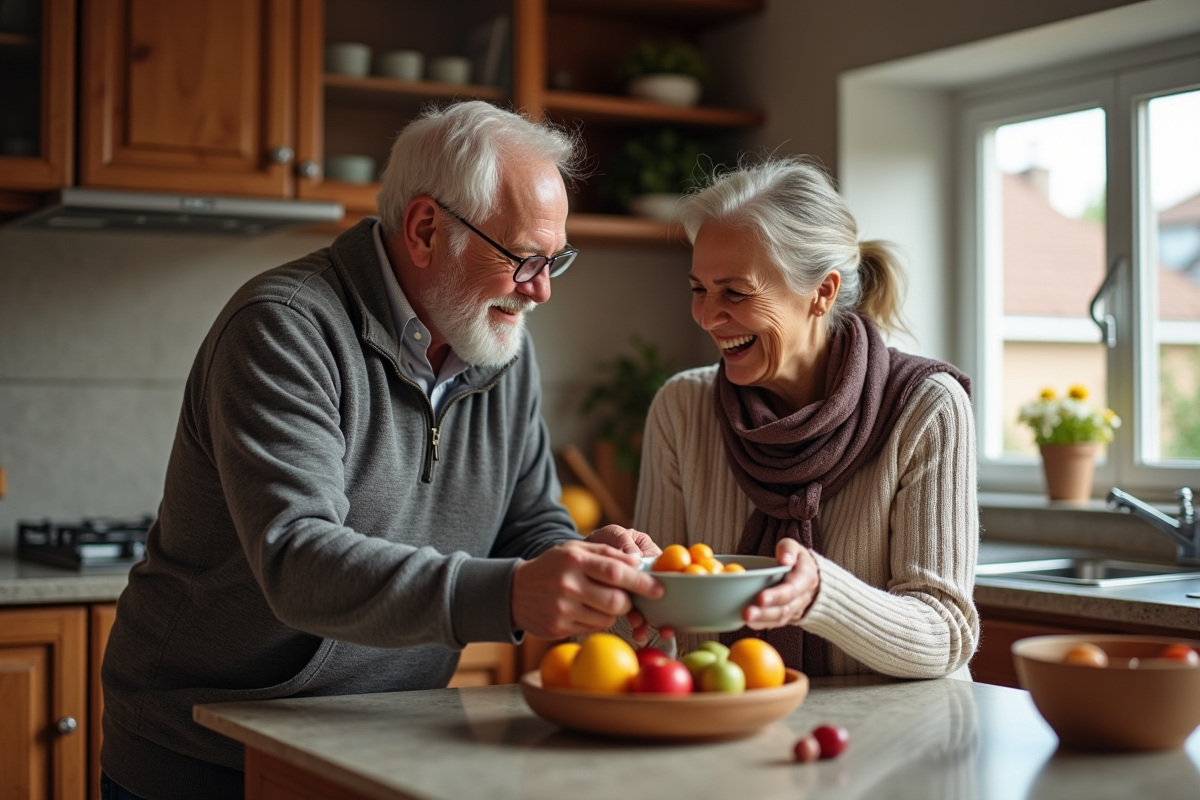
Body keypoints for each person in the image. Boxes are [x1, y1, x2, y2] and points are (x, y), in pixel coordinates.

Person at [100, 101, 663, 800]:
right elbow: (297, 560)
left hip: (381, 734)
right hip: (206, 753)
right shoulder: (284, 327)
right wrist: (515, 594)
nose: (540, 291)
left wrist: (585, 566)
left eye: (555, 262)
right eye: (523, 259)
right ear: (427, 229)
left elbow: (528, 522)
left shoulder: (499, 345)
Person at [634, 156, 979, 680]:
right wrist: (619, 587)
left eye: (736, 291)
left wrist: (822, 594)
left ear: (822, 292)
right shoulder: (682, 410)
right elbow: (647, 636)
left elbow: (945, 632)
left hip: (898, 744)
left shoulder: (927, 406)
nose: (707, 316)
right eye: (699, 289)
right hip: (729, 731)